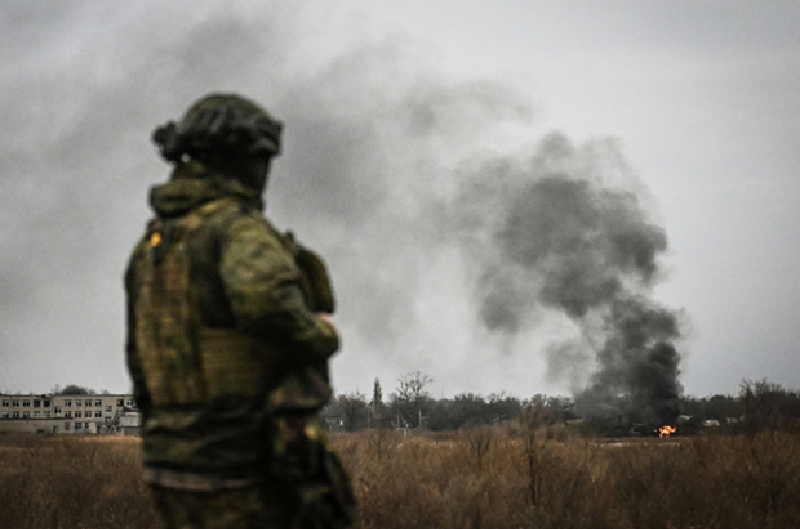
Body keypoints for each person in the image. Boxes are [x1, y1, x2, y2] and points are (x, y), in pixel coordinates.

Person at [124, 93, 355, 528]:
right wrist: (322, 332)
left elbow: (139, 360)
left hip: (169, 464)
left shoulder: (153, 247)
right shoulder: (236, 231)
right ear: (242, 158)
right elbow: (268, 306)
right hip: (242, 465)